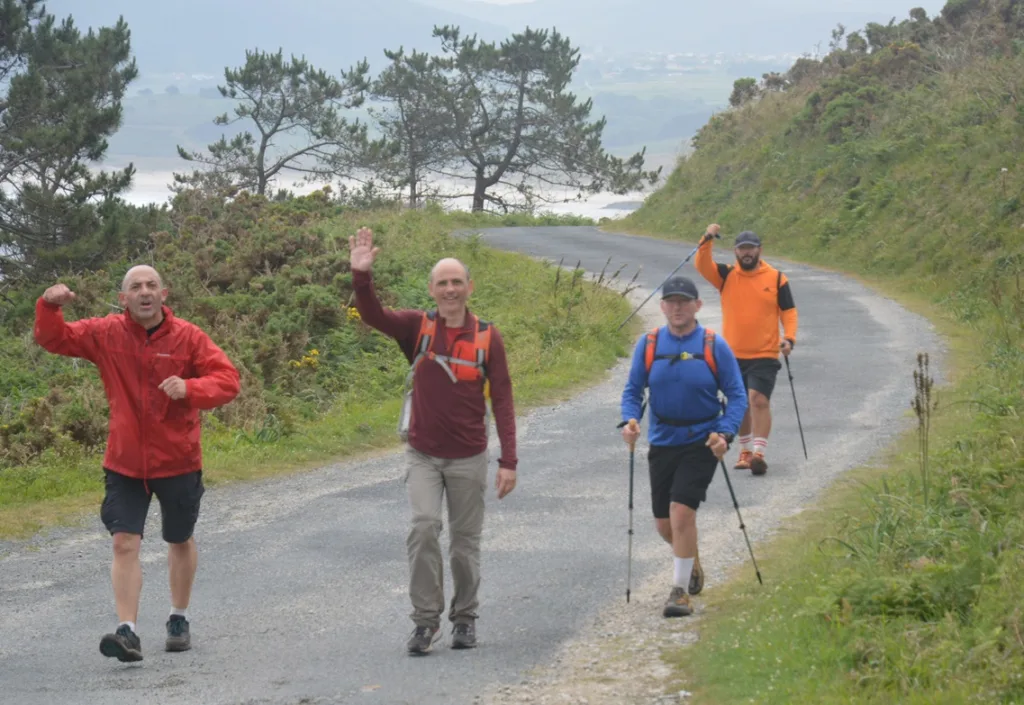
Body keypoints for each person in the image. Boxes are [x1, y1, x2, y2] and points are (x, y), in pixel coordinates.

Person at [33, 265, 241, 663]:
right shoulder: (105, 333)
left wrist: (190, 387)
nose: (144, 292)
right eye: (135, 287)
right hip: (125, 462)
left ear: (164, 294)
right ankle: (127, 630)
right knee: (123, 541)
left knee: (179, 538)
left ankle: (178, 618)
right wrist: (48, 305)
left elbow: (228, 380)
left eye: (151, 285)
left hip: (178, 460)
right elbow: (53, 338)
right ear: (123, 298)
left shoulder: (189, 337)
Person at [348, 226, 518, 655]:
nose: (450, 289)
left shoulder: (488, 337)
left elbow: (502, 399)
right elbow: (374, 316)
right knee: (424, 528)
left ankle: (465, 618)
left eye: (456, 282)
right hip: (423, 454)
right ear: (431, 289)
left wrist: (509, 461)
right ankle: (425, 622)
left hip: (469, 457)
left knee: (464, 543)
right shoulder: (416, 327)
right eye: (442, 283)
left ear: (469, 287)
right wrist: (361, 275)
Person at [620, 275, 747, 618]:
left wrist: (725, 433)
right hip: (663, 440)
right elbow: (633, 390)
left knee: (681, 512)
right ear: (662, 306)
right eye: (672, 302)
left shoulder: (713, 345)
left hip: (702, 440)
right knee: (665, 525)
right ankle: (690, 559)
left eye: (684, 302)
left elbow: (736, 394)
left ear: (697, 306)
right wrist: (629, 420)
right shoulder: (649, 344)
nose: (678, 308)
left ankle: (679, 593)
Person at [694, 224, 798, 476]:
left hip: (765, 353)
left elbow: (788, 311)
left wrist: (789, 338)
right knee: (739, 403)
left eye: (751, 248)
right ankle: (745, 451)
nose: (747, 253)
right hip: (732, 355)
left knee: (758, 399)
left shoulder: (776, 278)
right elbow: (702, 264)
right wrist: (707, 238)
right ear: (735, 252)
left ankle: (759, 454)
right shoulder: (726, 275)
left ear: (760, 250)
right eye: (742, 249)